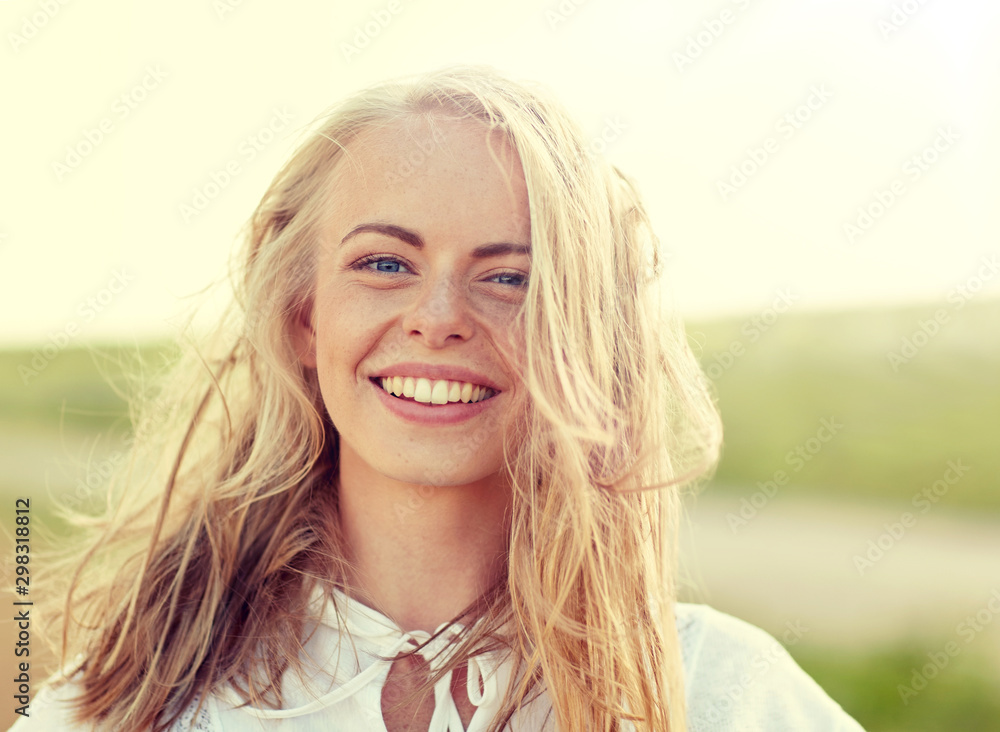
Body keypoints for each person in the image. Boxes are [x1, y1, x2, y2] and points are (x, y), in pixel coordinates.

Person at [12, 66, 865, 731]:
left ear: (583, 337)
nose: (440, 318)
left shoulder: (715, 692)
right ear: (303, 315)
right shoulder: (132, 703)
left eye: (510, 278)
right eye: (385, 264)